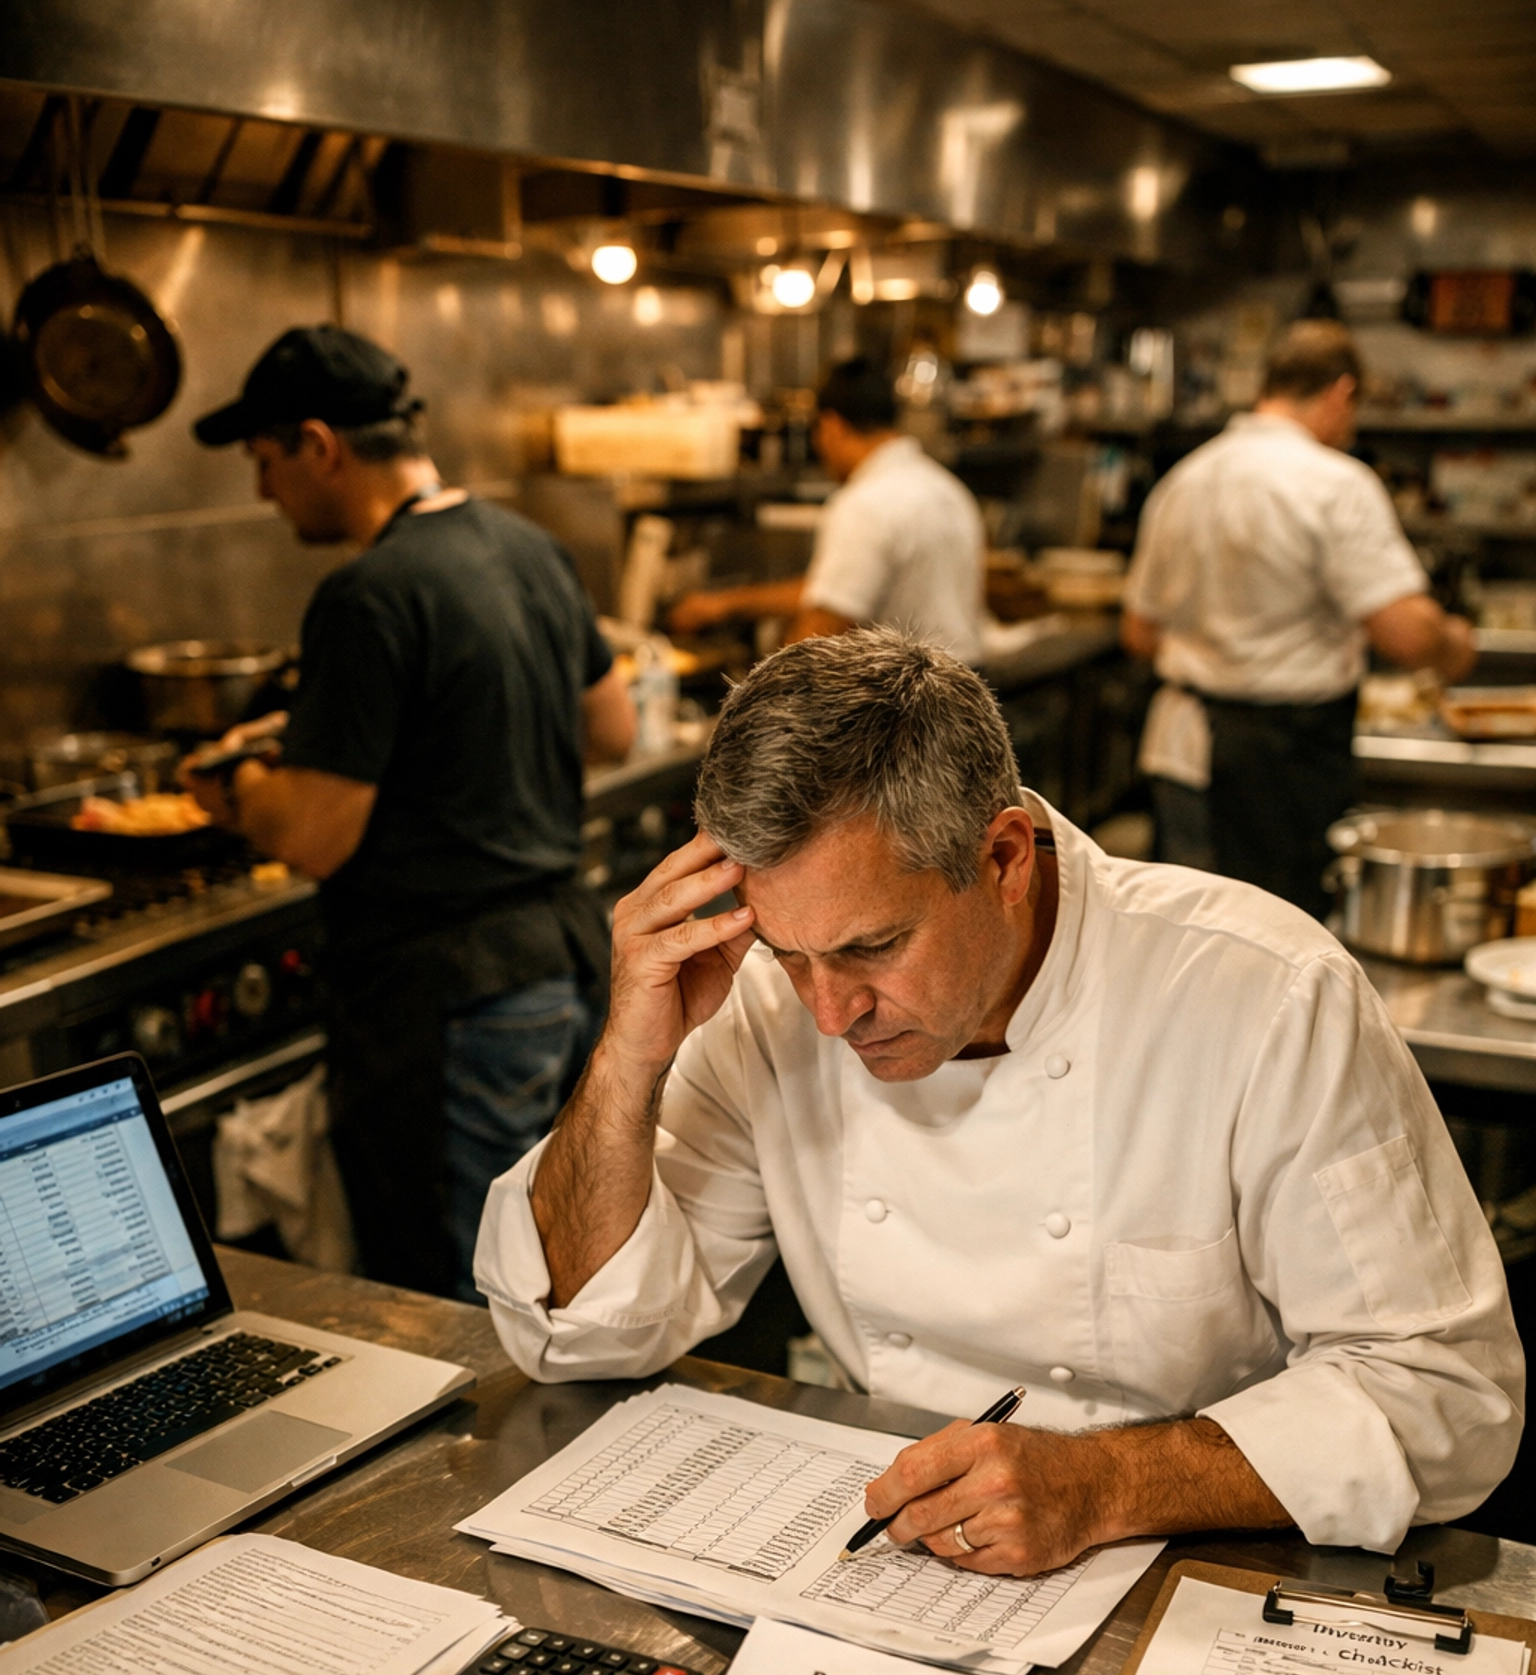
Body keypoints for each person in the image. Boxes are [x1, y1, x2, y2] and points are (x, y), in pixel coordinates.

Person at [474, 629, 1521, 1578]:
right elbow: (580, 1333)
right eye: (790, 956)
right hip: (894, 1561)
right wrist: (629, 1052)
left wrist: (1107, 1485)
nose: (830, 1013)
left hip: (1202, 1559)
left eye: (873, 947)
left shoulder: (1264, 995)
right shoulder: (765, 1008)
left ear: (1006, 858)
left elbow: (1445, 1399)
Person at [182, 325, 634, 1300]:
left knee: (464, 1288)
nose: (264, 492)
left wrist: (235, 792)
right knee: (571, 1267)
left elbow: (314, 834)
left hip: (452, 998)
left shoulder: (366, 594)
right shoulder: (530, 546)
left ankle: (495, 1458)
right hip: (563, 961)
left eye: (266, 462)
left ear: (319, 443)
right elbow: (615, 726)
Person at [1121, 319, 1477, 913]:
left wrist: (1221, 647)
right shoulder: (1335, 483)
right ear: (1342, 393)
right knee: (1275, 946)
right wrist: (1455, 645)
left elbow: (1138, 632)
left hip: (1180, 751)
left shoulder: (1184, 479)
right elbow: (1409, 635)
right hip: (1279, 764)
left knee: (1181, 942)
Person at [668, 357, 985, 662]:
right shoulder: (947, 489)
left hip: (906, 703)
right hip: (964, 685)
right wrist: (727, 604)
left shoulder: (865, 503)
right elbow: (836, 587)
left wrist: (766, 695)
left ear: (831, 426)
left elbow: (822, 628)